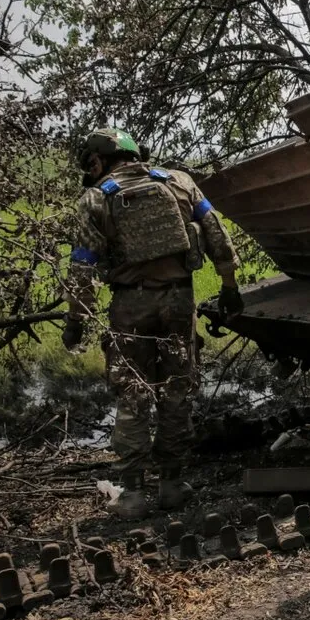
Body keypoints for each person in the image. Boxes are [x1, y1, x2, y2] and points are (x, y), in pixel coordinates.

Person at [62, 128, 244, 519]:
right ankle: (172, 485)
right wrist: (229, 287)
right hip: (180, 300)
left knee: (133, 393)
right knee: (177, 388)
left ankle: (131, 494)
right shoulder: (179, 182)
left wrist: (76, 318)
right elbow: (217, 235)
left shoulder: (95, 198)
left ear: (98, 161)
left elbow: (82, 267)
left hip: (130, 305)